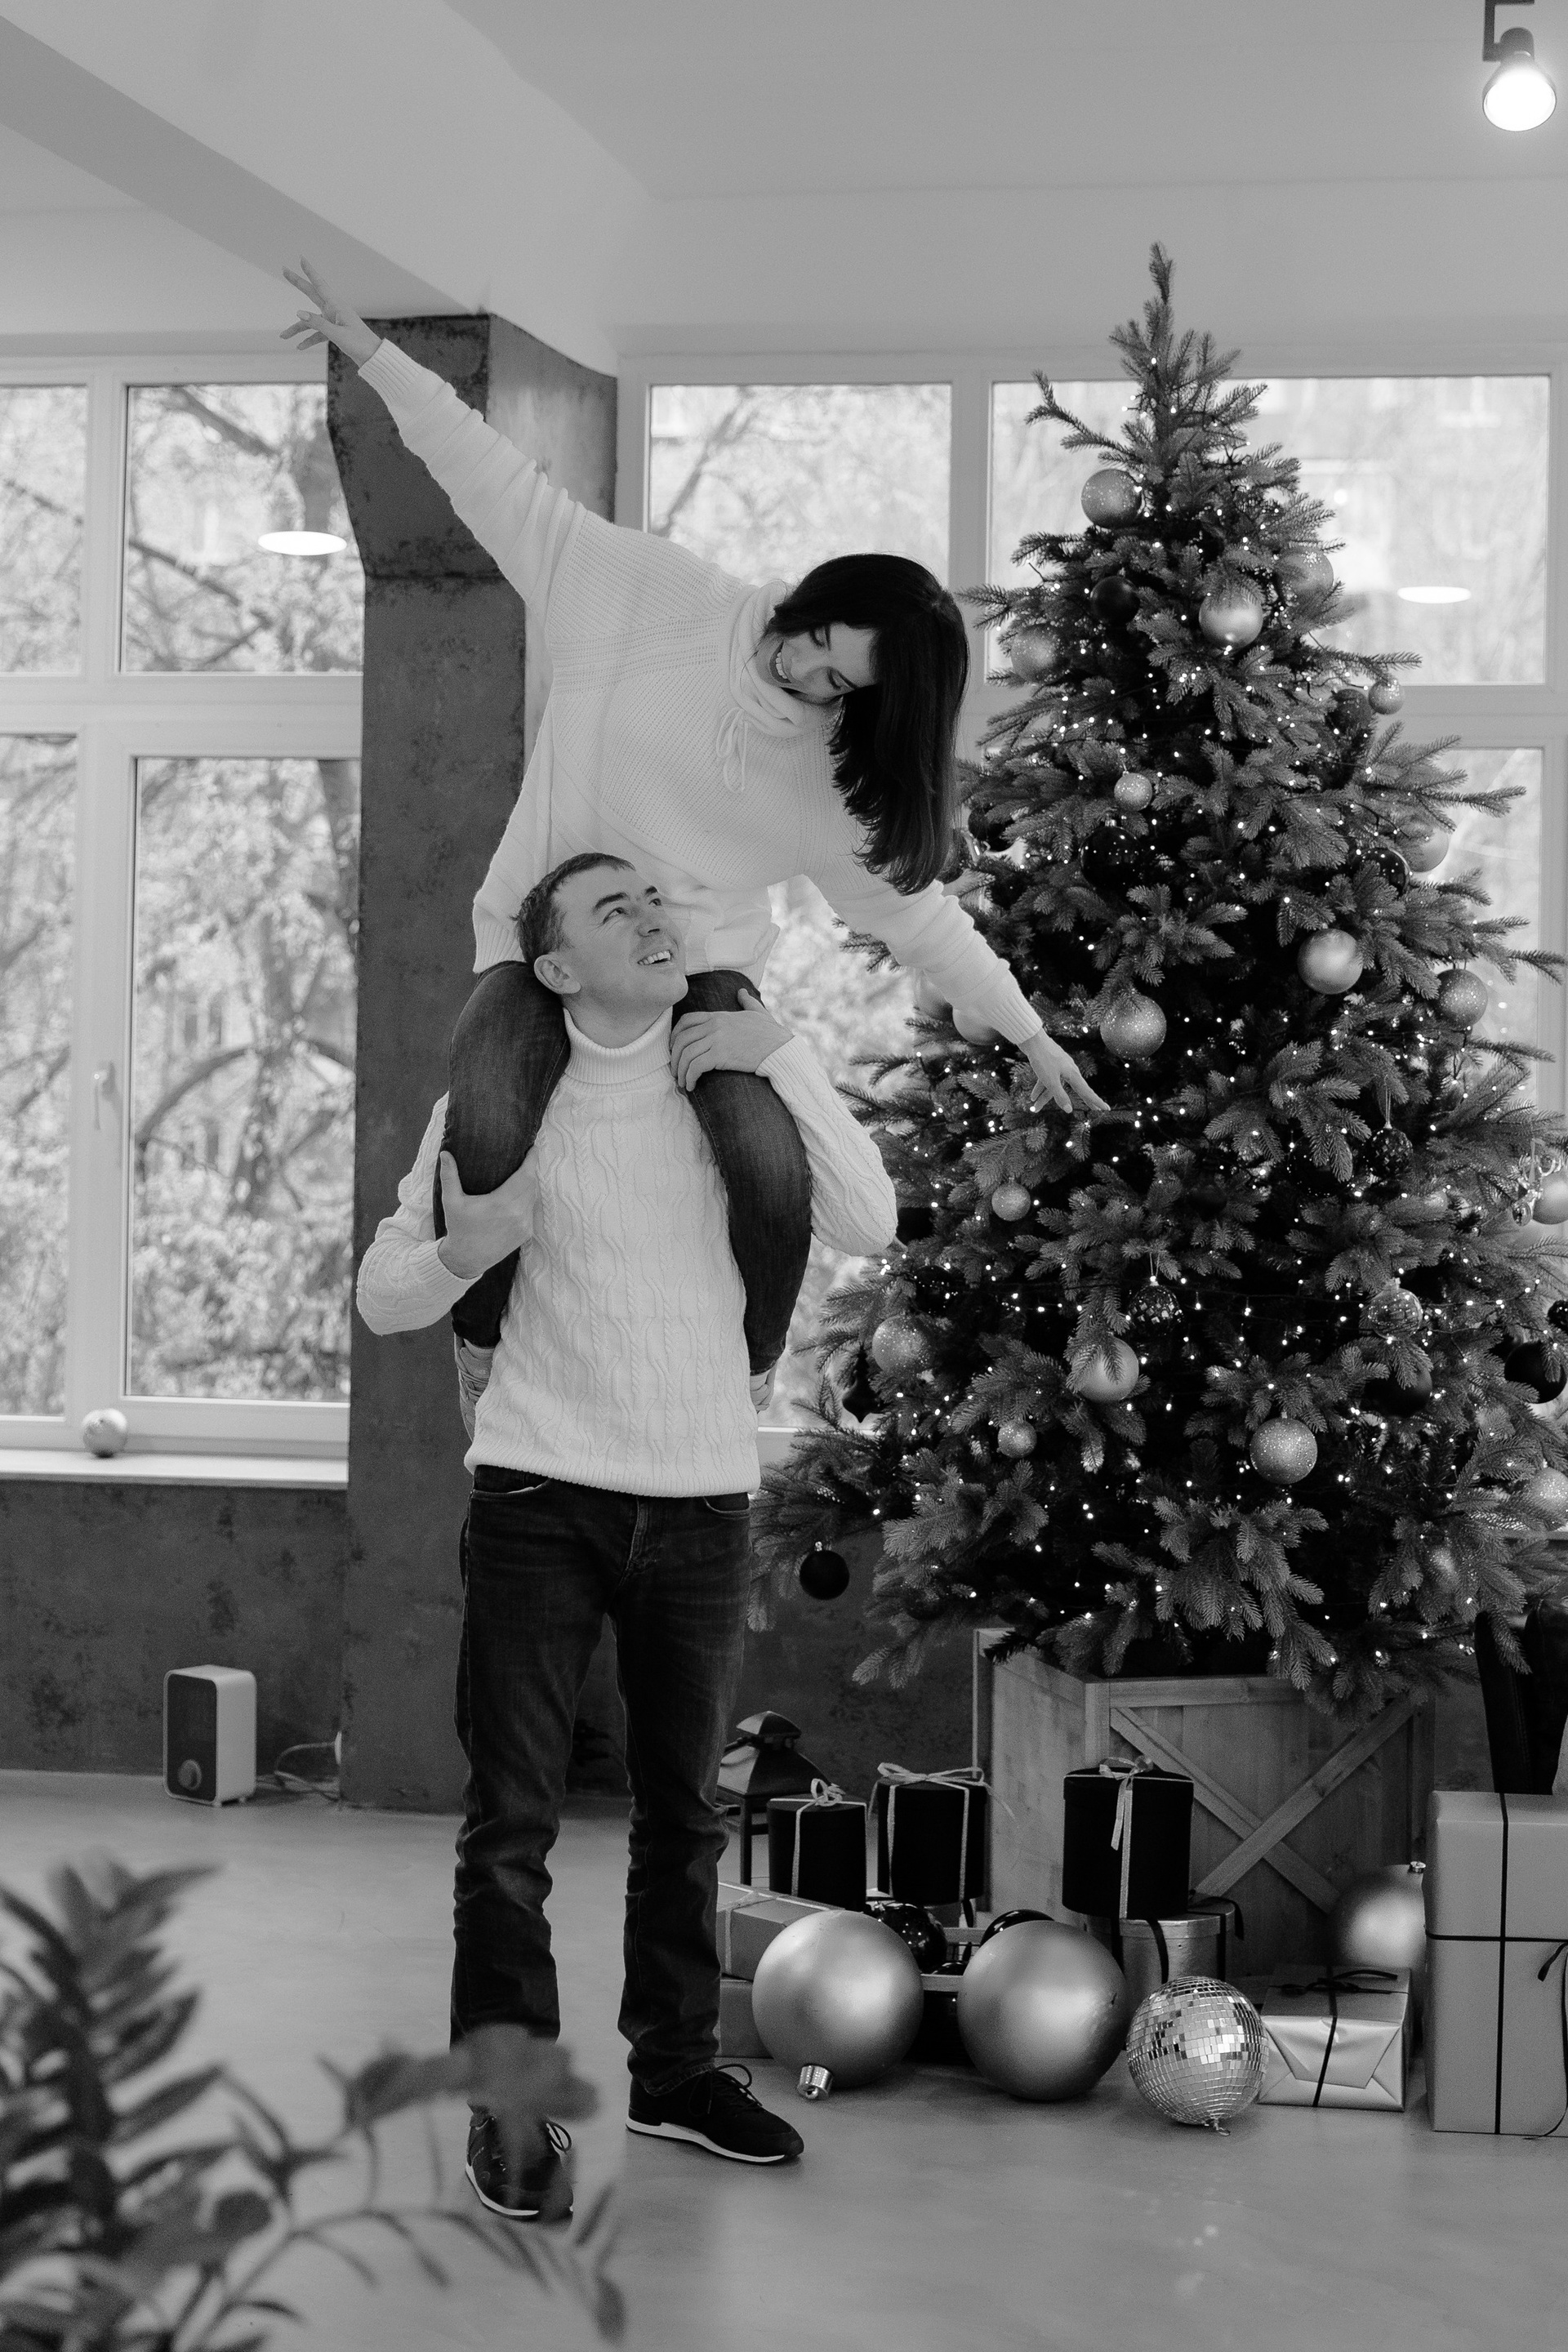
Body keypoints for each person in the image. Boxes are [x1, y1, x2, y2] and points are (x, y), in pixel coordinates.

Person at [286, 262, 1107, 1400]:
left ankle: (747, 1365)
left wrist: (1029, 1034)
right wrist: (382, 362)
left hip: (698, 975)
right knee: (488, 1120)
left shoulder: (827, 778)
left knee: (767, 1173)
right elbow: (499, 483)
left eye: (836, 682)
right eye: (813, 638)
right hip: (546, 942)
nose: (801, 671)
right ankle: (481, 1347)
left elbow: (919, 921)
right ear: (813, 597)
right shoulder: (653, 598)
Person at [356, 851, 898, 2215]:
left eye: (657, 900)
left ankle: (675, 2076)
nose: (655, 919)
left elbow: (871, 1219)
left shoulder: (736, 1091)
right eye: (617, 910)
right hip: (537, 1497)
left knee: (685, 1818)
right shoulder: (494, 1114)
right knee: (510, 1827)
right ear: (556, 967)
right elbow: (384, 1294)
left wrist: (785, 1054)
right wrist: (470, 1246)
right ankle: (511, 2106)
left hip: (704, 1499)